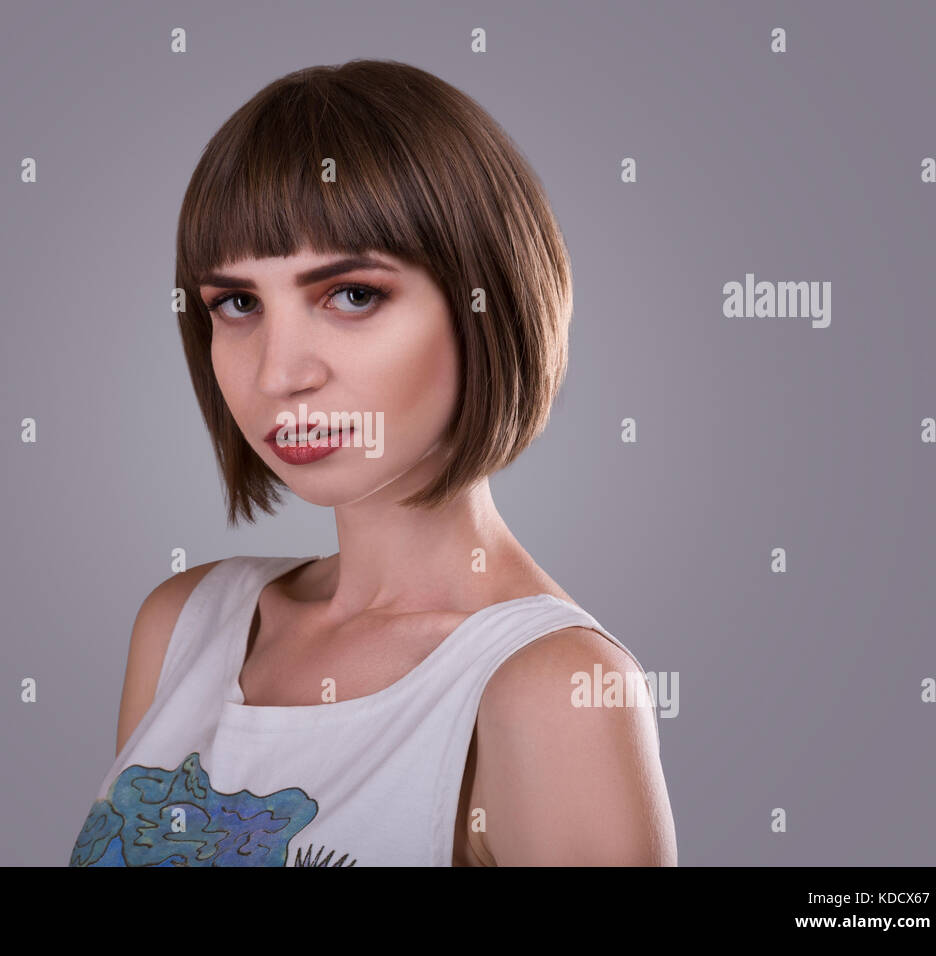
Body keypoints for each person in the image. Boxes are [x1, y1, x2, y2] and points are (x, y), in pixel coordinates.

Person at [70, 58, 676, 867]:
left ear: (486, 300)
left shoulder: (552, 689)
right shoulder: (183, 623)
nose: (279, 372)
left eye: (351, 293)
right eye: (239, 304)